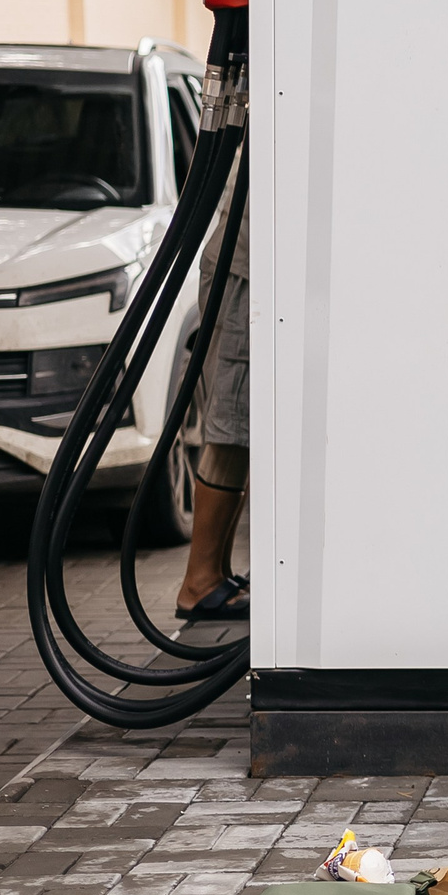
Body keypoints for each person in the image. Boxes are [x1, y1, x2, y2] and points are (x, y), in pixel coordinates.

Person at [174, 208, 248, 617]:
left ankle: (218, 573)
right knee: (233, 424)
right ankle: (199, 582)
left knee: (242, 427)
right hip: (244, 272)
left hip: (252, 264)